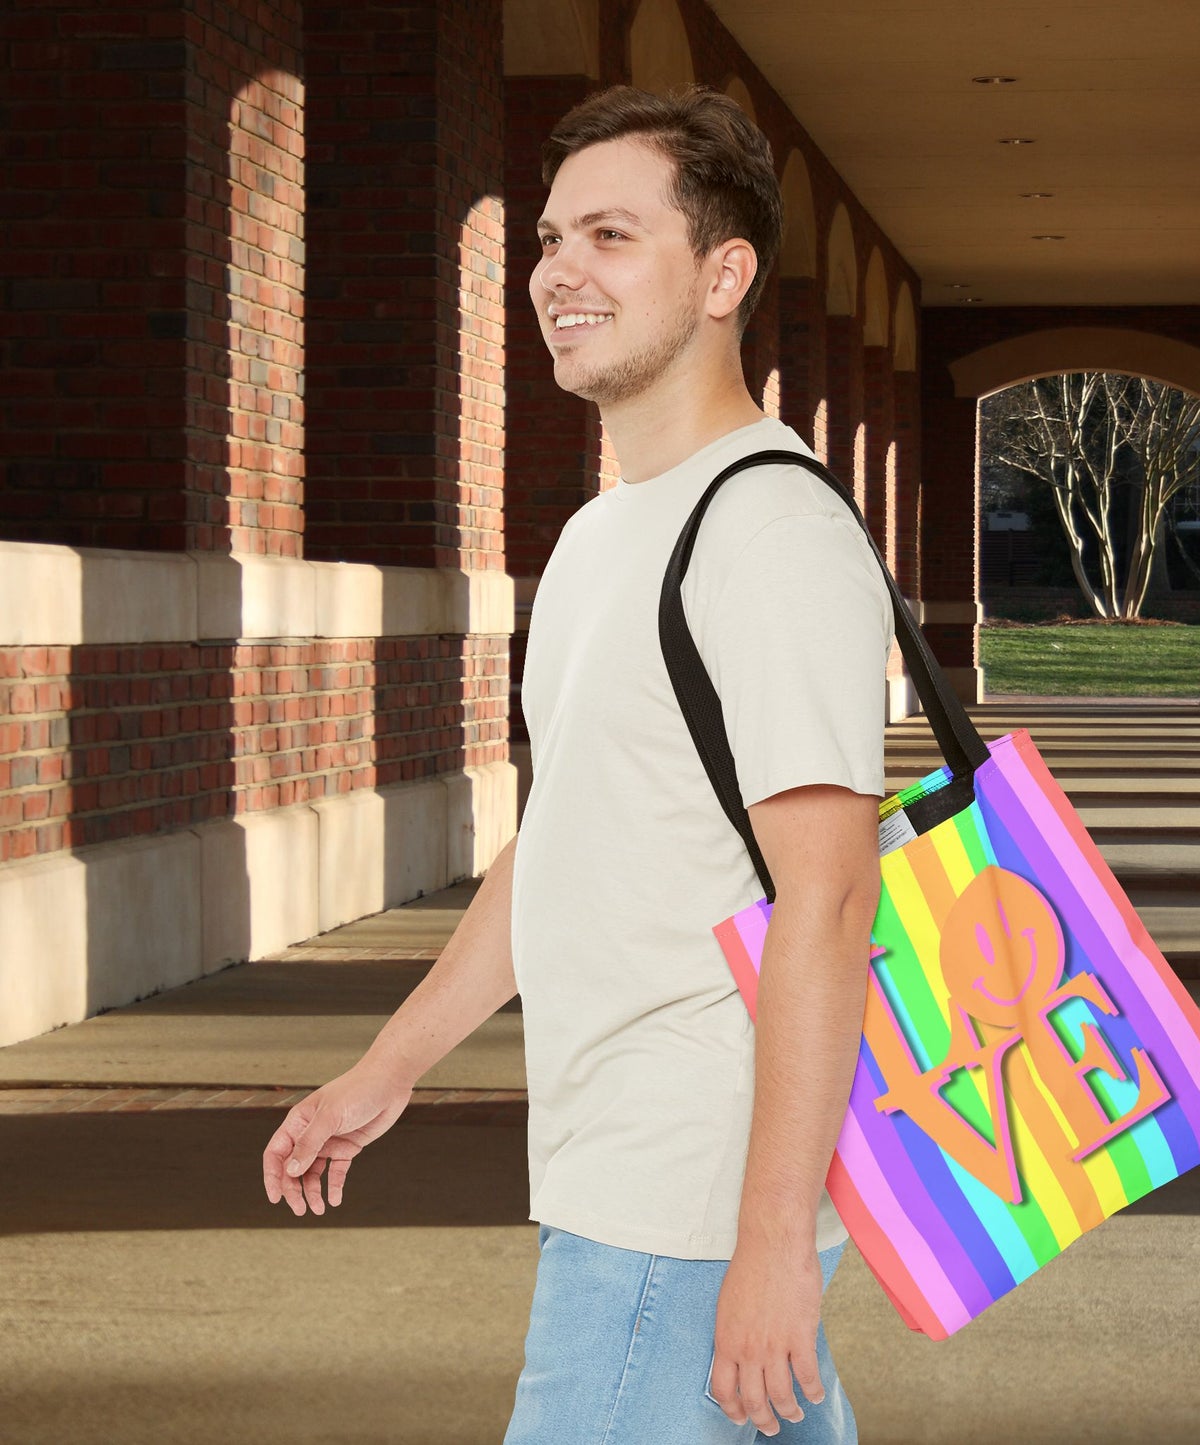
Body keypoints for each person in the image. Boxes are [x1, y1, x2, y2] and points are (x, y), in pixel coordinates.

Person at [261, 83, 894, 1444]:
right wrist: (389, 1066)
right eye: (550, 239)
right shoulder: (606, 537)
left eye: (610, 235)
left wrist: (770, 1240)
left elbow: (831, 899)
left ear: (722, 272)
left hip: (684, 1201)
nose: (558, 272)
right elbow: (564, 850)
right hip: (618, 1168)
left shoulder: (768, 531)